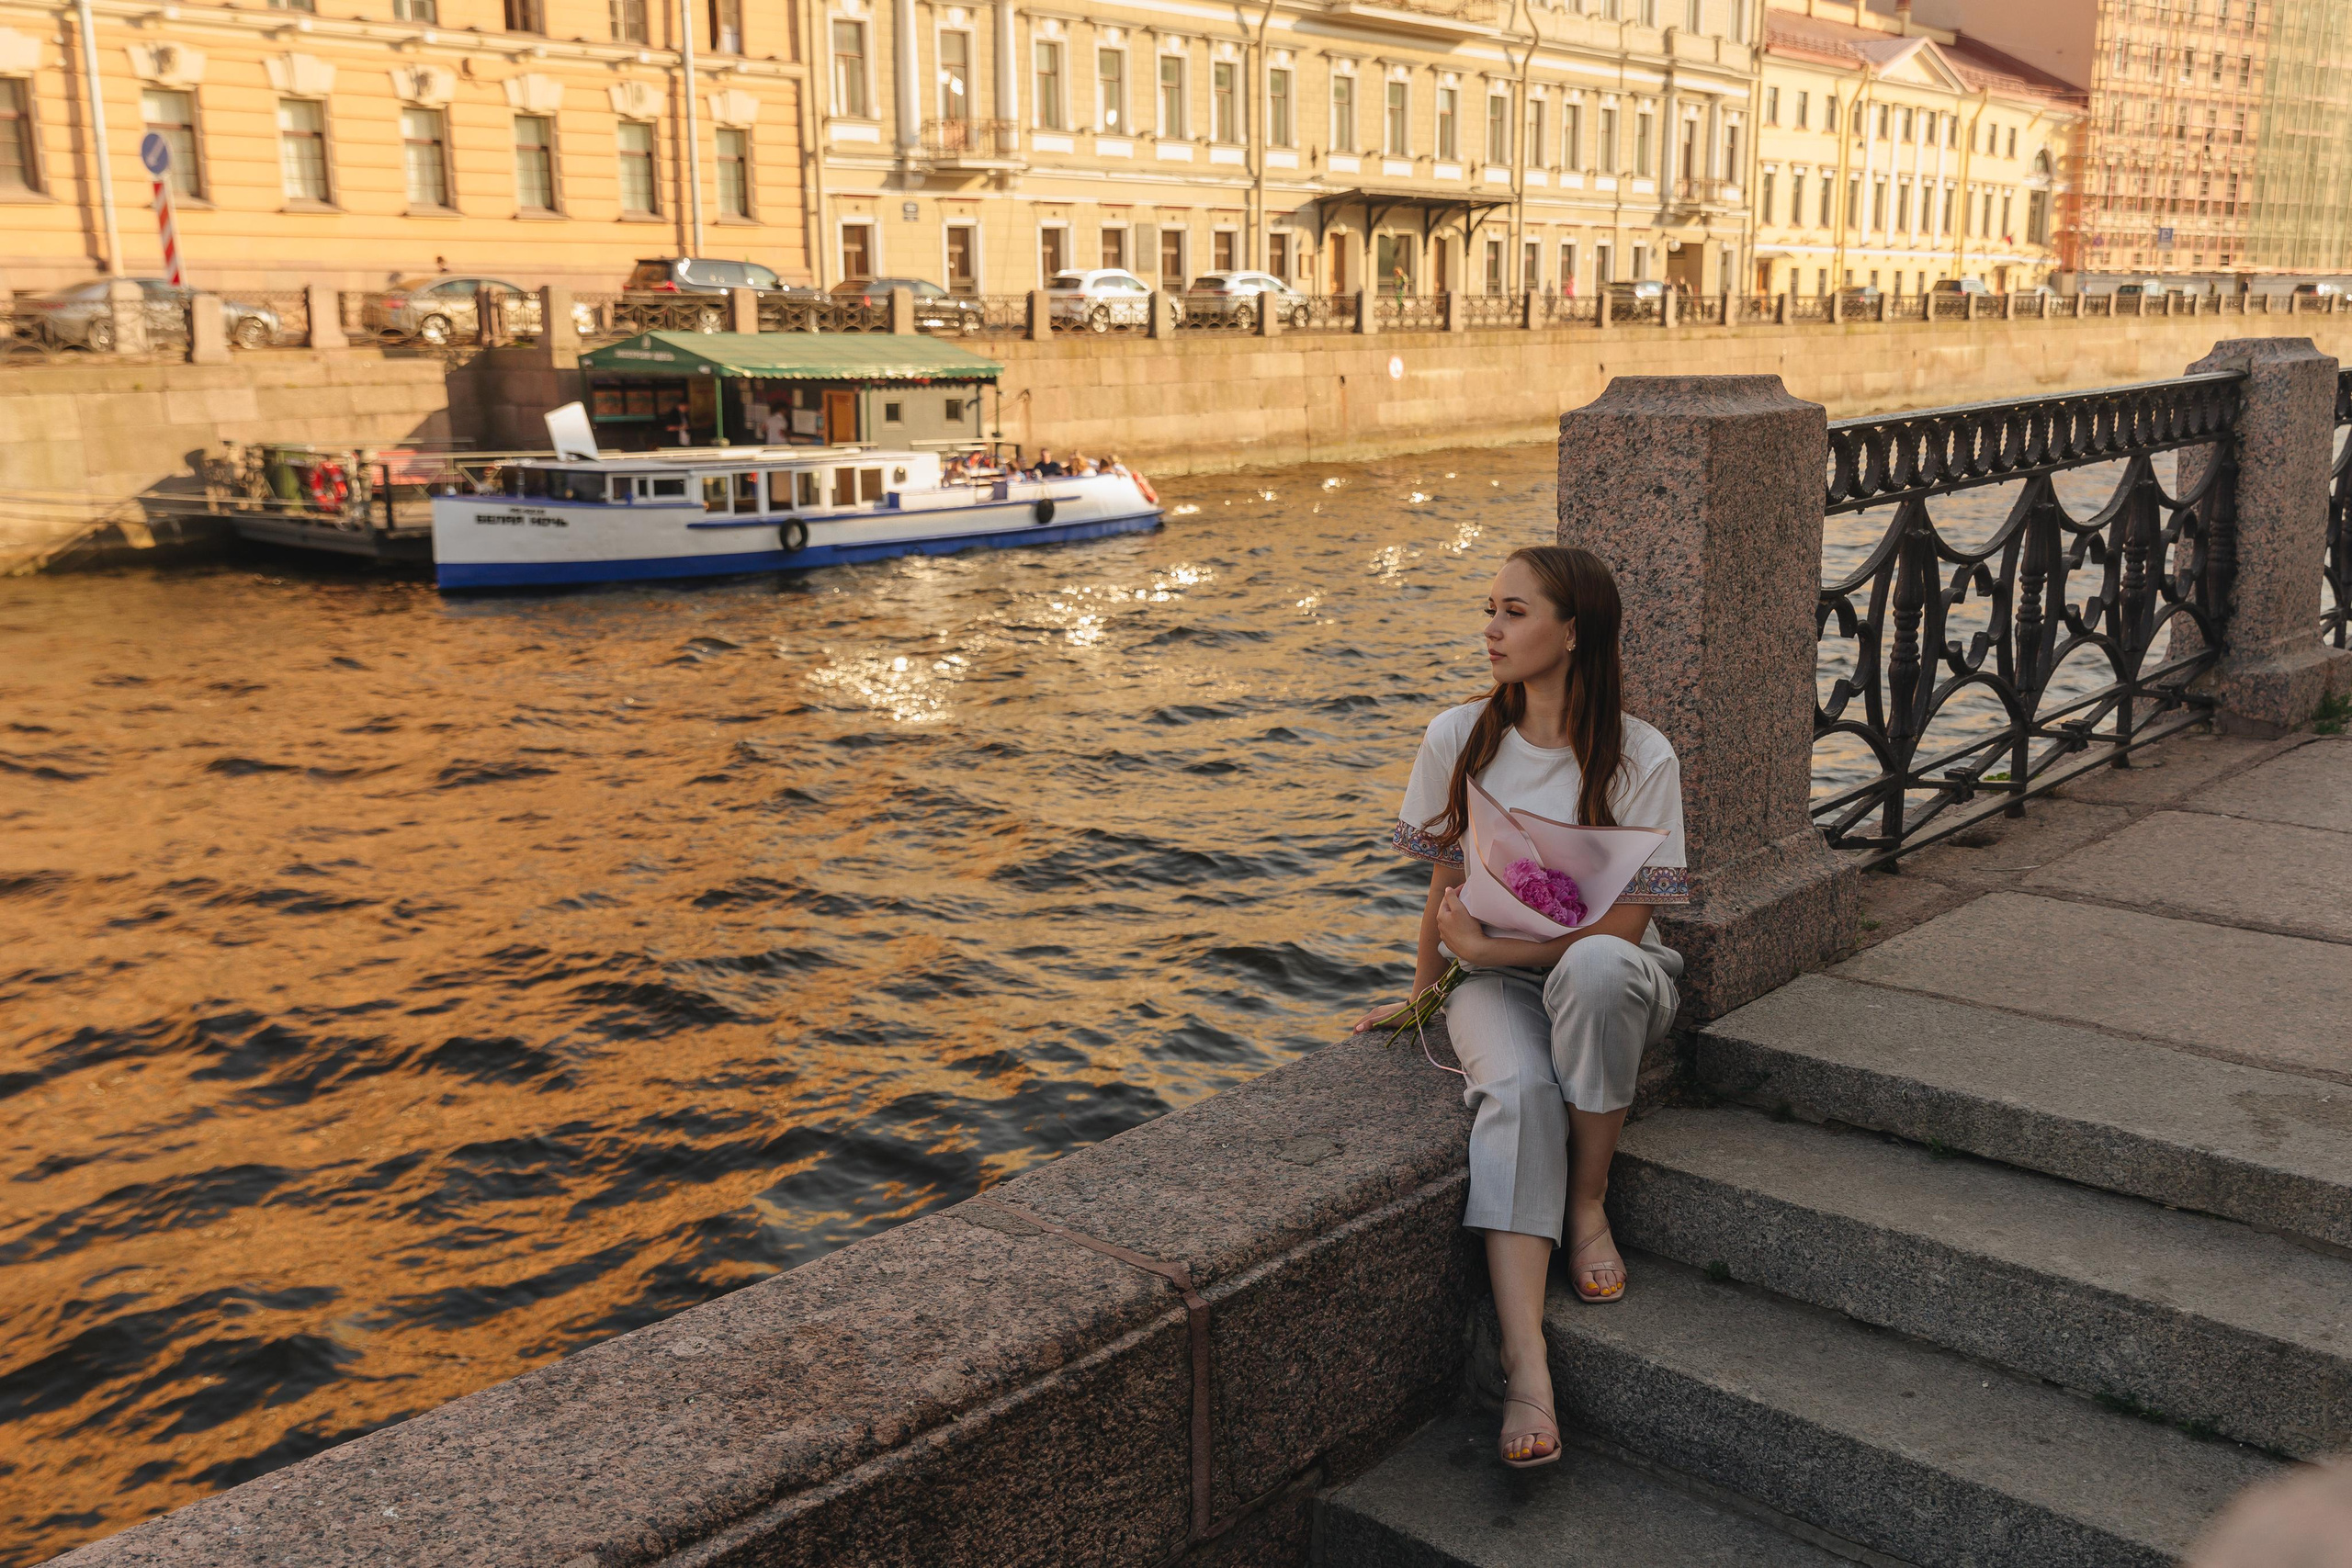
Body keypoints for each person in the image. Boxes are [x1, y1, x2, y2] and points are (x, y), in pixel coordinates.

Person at [1354, 545, 1687, 1472]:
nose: (1491, 631)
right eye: (1487, 610)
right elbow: (1444, 884)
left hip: (1615, 973)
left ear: (1573, 632)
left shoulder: (1641, 754)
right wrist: (1425, 995)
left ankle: (1586, 1204)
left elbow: (1626, 921)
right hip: (1492, 983)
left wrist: (1493, 949)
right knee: (1517, 1095)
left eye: (1513, 612)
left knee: (1596, 971)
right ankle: (1525, 1364)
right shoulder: (1457, 736)